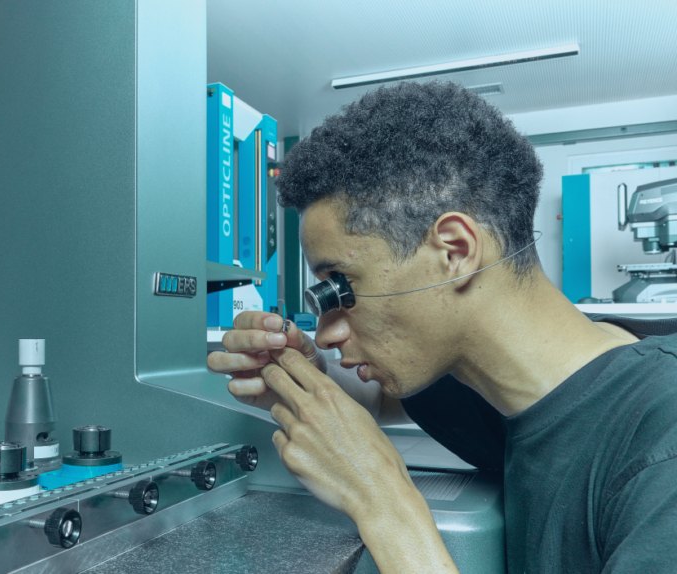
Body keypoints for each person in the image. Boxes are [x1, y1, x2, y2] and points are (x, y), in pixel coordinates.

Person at [207, 81, 677, 573]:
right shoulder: (506, 386)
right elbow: (384, 397)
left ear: (455, 251)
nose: (326, 333)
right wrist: (308, 377)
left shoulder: (660, 451)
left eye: (342, 287)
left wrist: (383, 502)